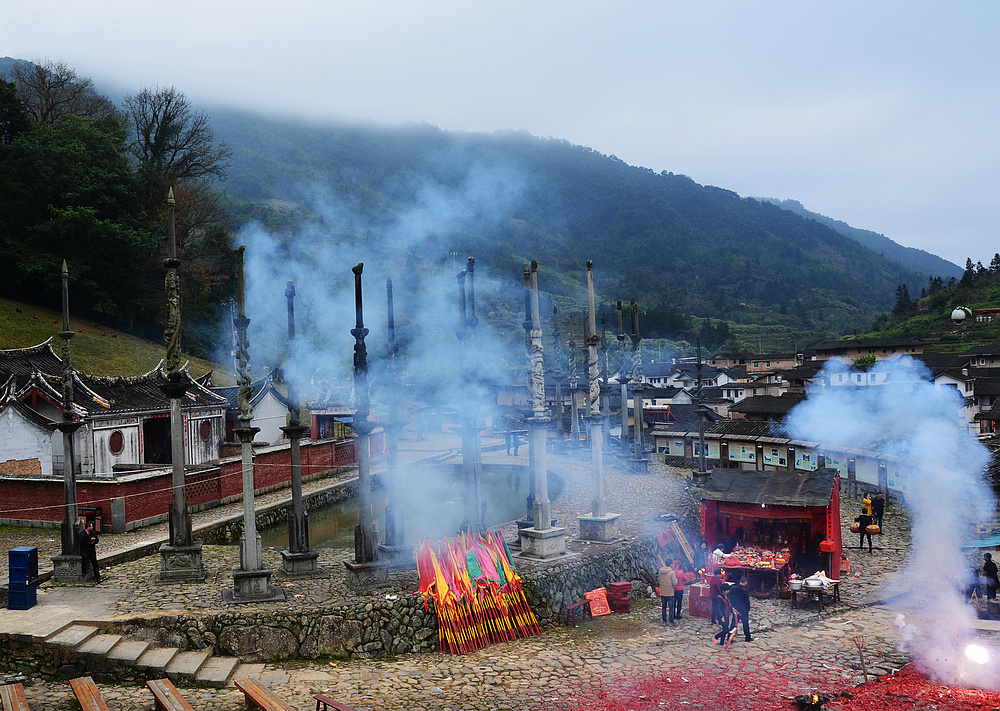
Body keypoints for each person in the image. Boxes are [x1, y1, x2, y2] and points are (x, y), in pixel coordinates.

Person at [723, 576, 753, 642]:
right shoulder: (744, 591)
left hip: (735, 609)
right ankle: (747, 637)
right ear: (745, 582)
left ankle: (729, 638)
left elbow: (730, 598)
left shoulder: (733, 588)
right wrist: (747, 609)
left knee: (733, 624)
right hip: (743, 610)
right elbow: (747, 602)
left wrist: (732, 607)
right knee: (745, 624)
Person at [657, 556, 678, 626]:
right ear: (671, 564)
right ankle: (671, 622)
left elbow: (659, 580)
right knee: (671, 607)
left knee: (664, 607)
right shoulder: (672, 572)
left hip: (663, 592)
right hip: (670, 592)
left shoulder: (661, 571)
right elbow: (674, 583)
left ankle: (664, 621)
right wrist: (676, 580)